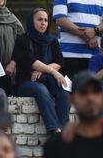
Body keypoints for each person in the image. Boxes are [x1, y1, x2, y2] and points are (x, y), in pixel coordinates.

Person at [12, 8, 70, 136]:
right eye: (39, 19)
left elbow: (59, 62)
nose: (43, 23)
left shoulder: (52, 40)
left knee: (65, 93)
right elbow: (31, 62)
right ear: (31, 22)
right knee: (41, 91)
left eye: (45, 20)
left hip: (48, 81)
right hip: (26, 82)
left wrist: (44, 71)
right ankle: (55, 129)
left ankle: (60, 134)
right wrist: (52, 72)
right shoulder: (23, 40)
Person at [43, 71, 103, 158]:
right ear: (71, 99)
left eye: (95, 92)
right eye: (83, 92)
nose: (90, 98)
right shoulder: (55, 146)